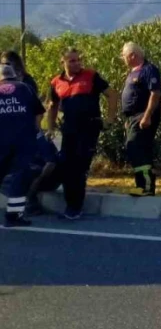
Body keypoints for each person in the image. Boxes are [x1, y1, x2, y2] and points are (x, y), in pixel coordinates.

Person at [46, 48, 115, 219]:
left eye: (78, 60)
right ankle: (71, 205)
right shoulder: (56, 82)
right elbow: (52, 106)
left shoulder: (91, 76)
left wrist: (110, 119)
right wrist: (50, 128)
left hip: (89, 128)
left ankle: (75, 207)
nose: (77, 63)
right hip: (69, 130)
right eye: (72, 61)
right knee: (66, 166)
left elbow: (112, 95)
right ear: (63, 62)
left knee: (80, 167)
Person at [1, 61, 45, 227]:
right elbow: (38, 114)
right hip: (23, 143)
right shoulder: (25, 89)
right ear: (14, 75)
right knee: (20, 179)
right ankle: (13, 217)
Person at [120, 42, 161, 197]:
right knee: (134, 150)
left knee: (139, 150)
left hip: (142, 117)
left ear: (132, 55)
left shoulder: (148, 70)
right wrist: (128, 119)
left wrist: (147, 116)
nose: (123, 58)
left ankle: (146, 187)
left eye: (123, 55)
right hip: (133, 118)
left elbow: (155, 93)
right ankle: (140, 186)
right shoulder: (133, 72)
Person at [23, 132, 60, 216]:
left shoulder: (42, 140)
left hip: (50, 179)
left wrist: (39, 179)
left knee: (30, 173)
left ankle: (32, 204)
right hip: (37, 174)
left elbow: (51, 164)